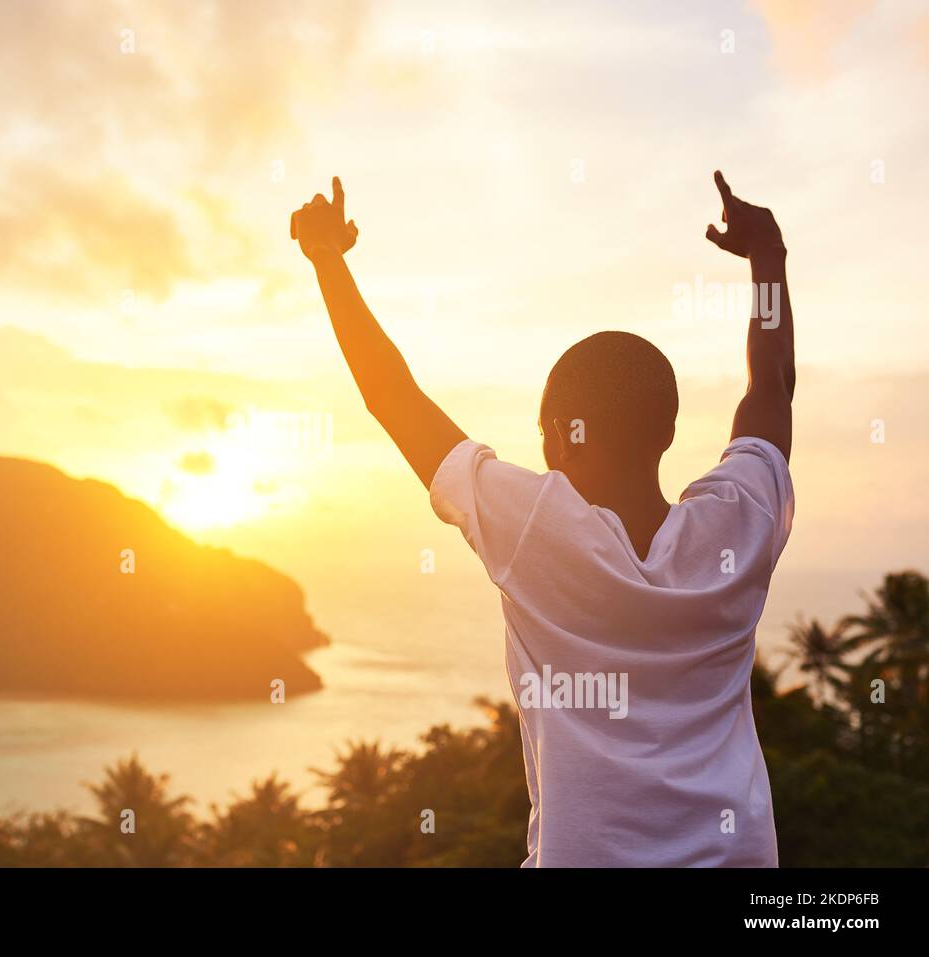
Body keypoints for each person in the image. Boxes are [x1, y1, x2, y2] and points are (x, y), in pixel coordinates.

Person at [290, 172, 794, 866]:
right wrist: (769, 256)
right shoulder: (739, 525)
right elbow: (771, 386)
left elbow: (390, 394)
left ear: (560, 435)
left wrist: (327, 261)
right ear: (669, 429)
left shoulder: (536, 531)